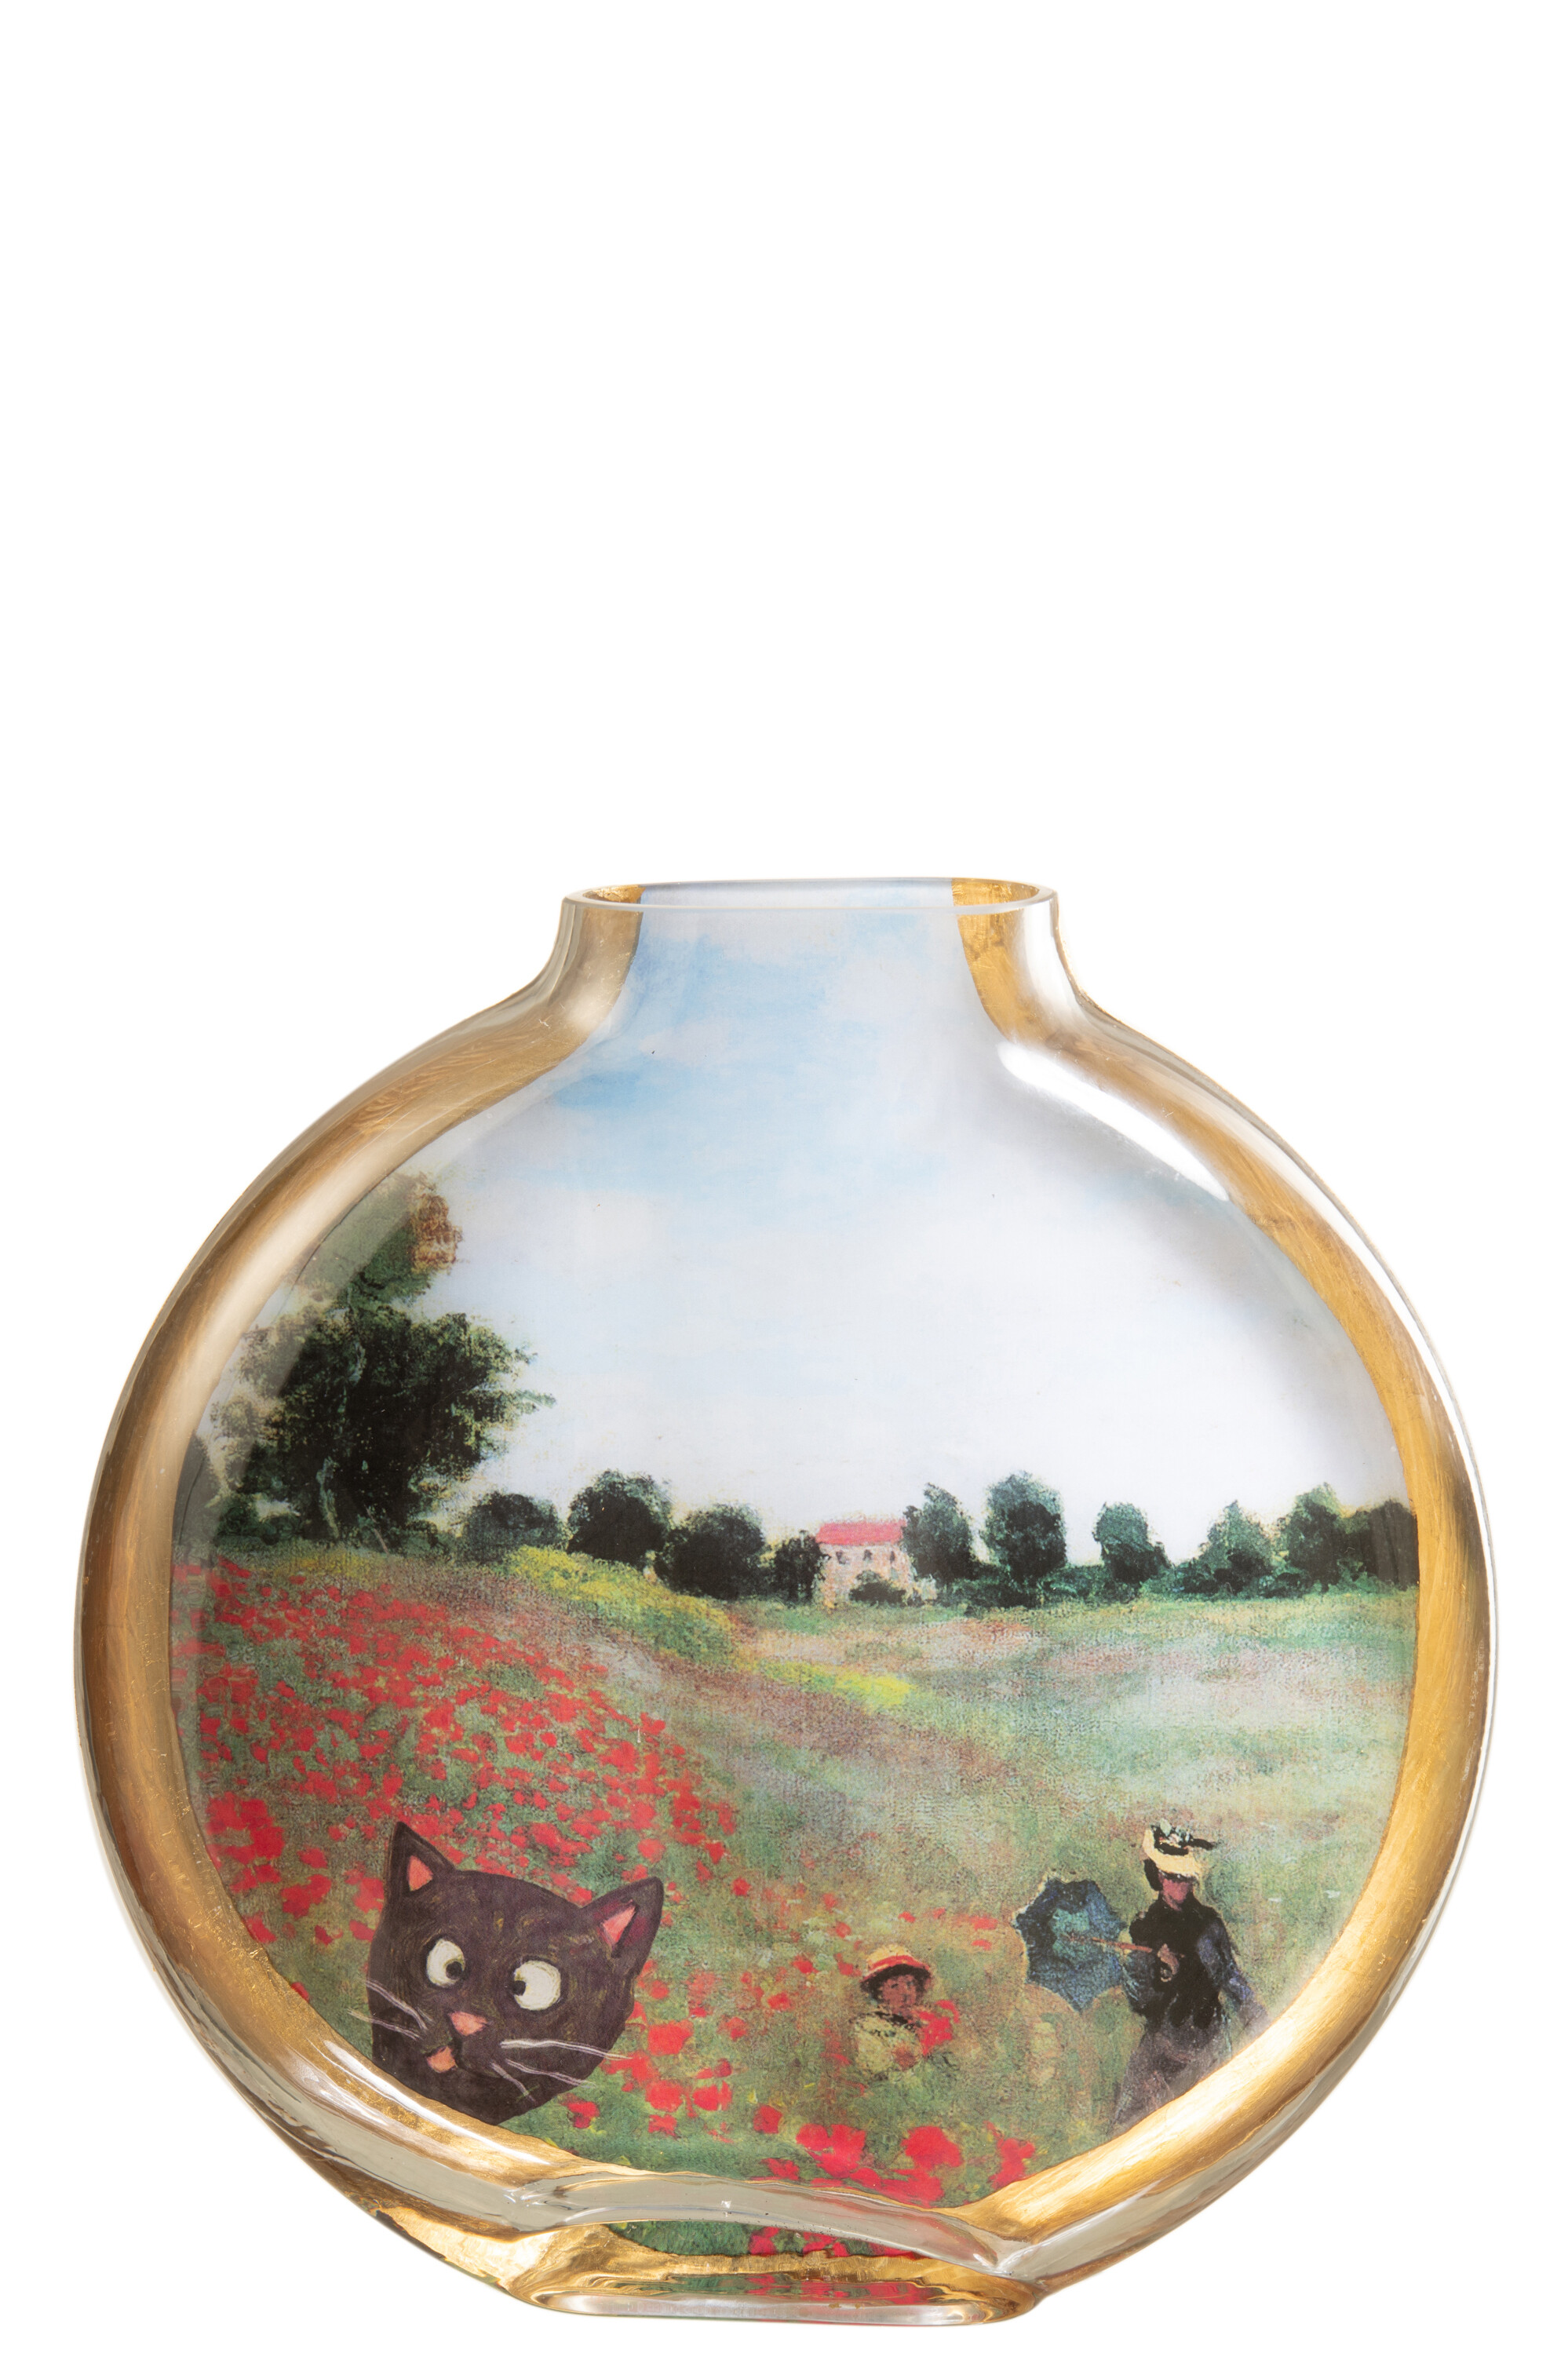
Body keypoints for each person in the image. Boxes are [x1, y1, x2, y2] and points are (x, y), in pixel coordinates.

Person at [1113, 1821, 1268, 2131]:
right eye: (1174, 1878)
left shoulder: (1209, 1925)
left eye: (1186, 1878)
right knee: (1137, 2127)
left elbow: (1232, 1980)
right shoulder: (1145, 1929)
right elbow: (1139, 2001)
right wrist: (1165, 1973)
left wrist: (1262, 2026)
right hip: (1162, 2053)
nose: (1182, 1885)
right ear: (1159, 1877)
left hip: (1210, 2046)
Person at [852, 1945, 956, 2078]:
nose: (905, 1992)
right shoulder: (869, 2027)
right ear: (879, 1992)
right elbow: (875, 2072)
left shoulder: (926, 2021)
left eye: (910, 1984)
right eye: (894, 1986)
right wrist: (903, 2063)